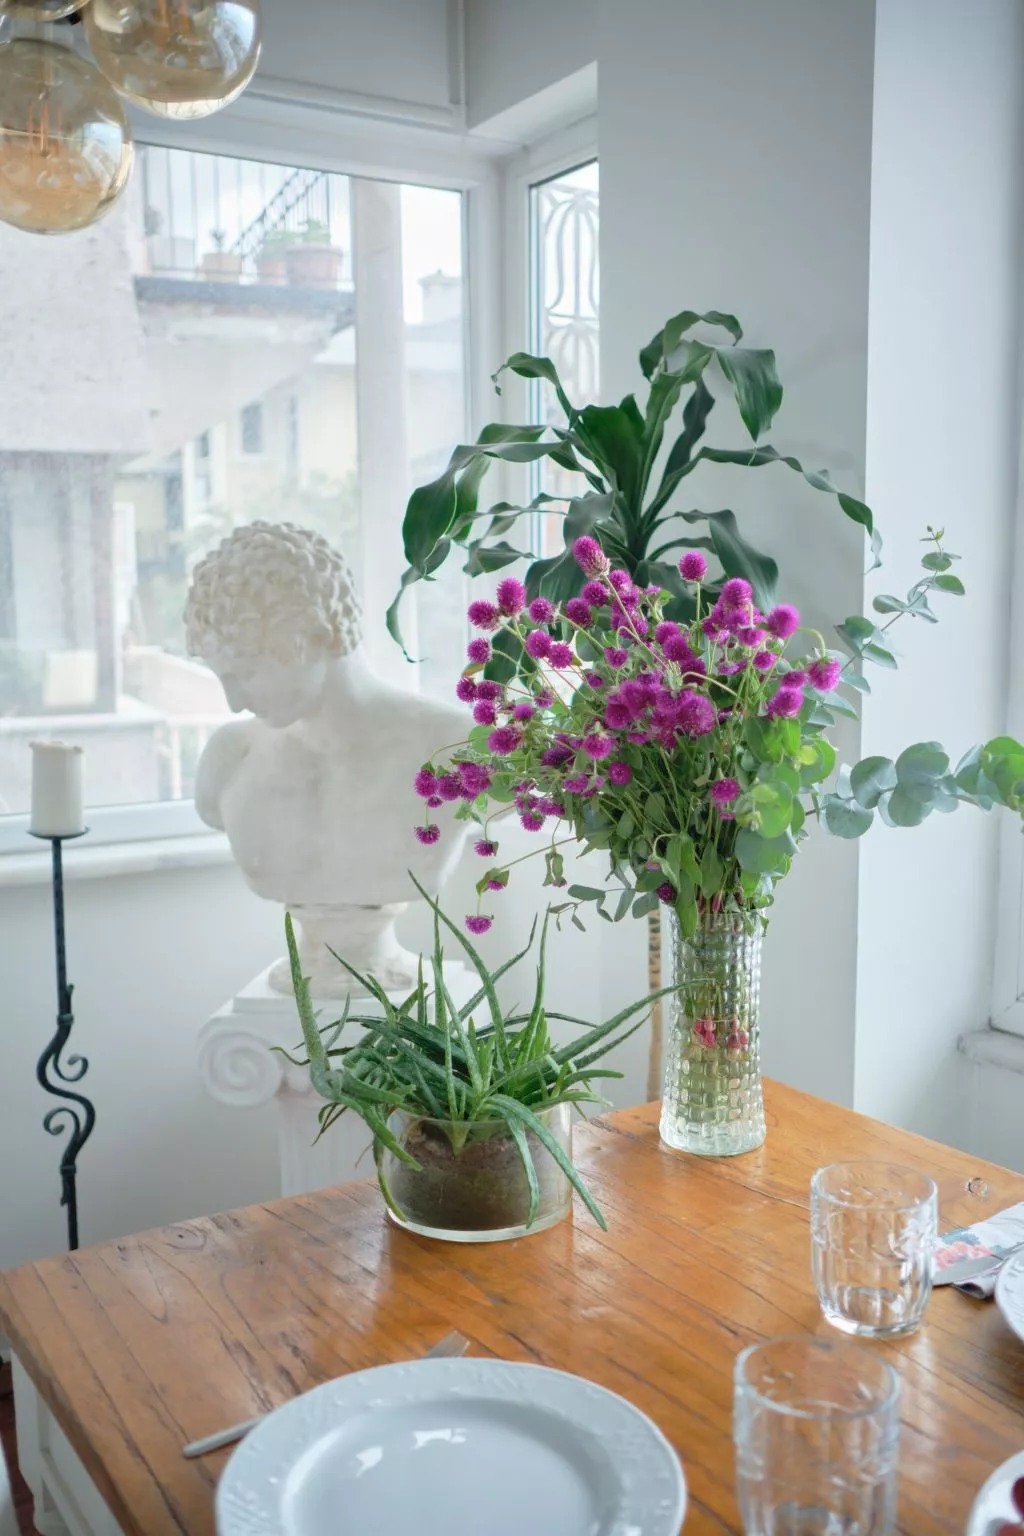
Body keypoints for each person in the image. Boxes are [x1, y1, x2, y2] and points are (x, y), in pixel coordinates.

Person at [186, 521, 468, 996]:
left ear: (316, 636)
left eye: (248, 672)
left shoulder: (454, 749)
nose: (233, 702)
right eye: (223, 678)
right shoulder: (231, 761)